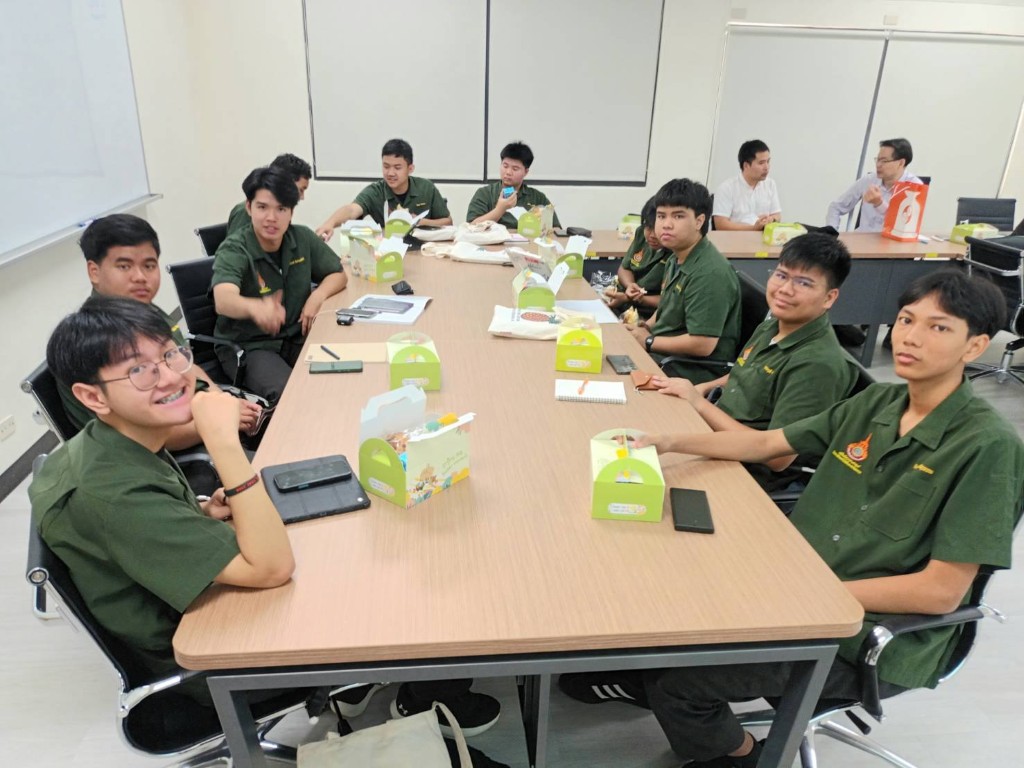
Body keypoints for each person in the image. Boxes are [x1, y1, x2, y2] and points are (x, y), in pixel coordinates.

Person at [589, 270, 1022, 767]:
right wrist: (665, 441)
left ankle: (743, 756)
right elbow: (767, 443)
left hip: (862, 633)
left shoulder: (988, 447)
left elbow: (940, 592)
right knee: (665, 588)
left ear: (976, 346)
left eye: (938, 327)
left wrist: (805, 591)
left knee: (680, 684)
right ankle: (639, 679)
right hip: (797, 578)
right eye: (906, 320)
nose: (911, 337)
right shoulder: (878, 402)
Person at [30, 296, 295, 704]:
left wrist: (201, 511)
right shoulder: (117, 496)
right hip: (205, 663)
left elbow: (137, 530)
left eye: (171, 355)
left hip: (190, 599)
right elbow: (273, 568)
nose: (171, 377)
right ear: (94, 398)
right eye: (139, 370)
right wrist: (223, 443)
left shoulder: (118, 438)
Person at [650, 233, 857, 491]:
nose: (785, 289)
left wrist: (699, 404)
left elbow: (777, 458)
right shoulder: (774, 325)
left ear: (829, 297)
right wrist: (700, 389)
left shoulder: (818, 365)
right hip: (715, 432)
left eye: (804, 283)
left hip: (747, 471)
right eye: (781, 275)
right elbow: (743, 371)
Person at [61, 213, 262, 444]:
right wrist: (222, 419)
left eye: (149, 265)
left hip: (197, 416)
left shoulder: (144, 310)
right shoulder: (91, 342)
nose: (140, 277)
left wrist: (222, 400)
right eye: (124, 266)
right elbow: (150, 437)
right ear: (94, 272)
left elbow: (185, 364)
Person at [213, 166, 348, 403]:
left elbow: (338, 274)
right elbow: (223, 299)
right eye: (262, 207)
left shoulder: (302, 237)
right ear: (249, 208)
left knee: (343, 372)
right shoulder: (235, 248)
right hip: (251, 346)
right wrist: (256, 308)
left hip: (296, 337)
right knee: (292, 396)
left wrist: (317, 297)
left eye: (281, 209)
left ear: (291, 212)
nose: (271, 218)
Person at [625, 178, 741, 384]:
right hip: (664, 354)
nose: (666, 224)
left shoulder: (710, 273)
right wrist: (645, 327)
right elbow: (665, 309)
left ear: (699, 221)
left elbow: (702, 344)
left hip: (689, 369)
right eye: (661, 216)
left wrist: (649, 341)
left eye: (678, 216)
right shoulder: (676, 258)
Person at [316, 139, 452, 239]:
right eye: (386, 166)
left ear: (410, 168)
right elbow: (352, 210)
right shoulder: (376, 191)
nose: (390, 173)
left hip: (424, 250)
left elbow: (448, 222)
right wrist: (330, 223)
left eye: (397, 168)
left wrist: (419, 222)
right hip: (389, 252)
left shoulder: (426, 188)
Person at [826, 138, 921, 232]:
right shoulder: (869, 180)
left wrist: (879, 204)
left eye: (884, 161)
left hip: (889, 241)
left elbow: (904, 225)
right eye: (877, 160)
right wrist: (831, 234)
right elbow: (836, 207)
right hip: (861, 238)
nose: (878, 165)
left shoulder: (914, 186)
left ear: (901, 163)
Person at [466, 141, 561, 230]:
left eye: (515, 169)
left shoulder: (538, 198)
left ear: (526, 172)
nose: (508, 172)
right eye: (505, 166)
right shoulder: (484, 193)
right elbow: (471, 227)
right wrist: (500, 209)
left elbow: (556, 229)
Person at [603, 197, 670, 319]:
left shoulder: (675, 252)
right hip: (623, 300)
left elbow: (671, 301)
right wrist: (630, 285)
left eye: (657, 229)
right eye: (648, 227)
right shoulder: (641, 234)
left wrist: (631, 297)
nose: (652, 235)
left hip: (648, 313)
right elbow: (625, 268)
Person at [228, 152, 312, 234]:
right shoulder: (243, 212)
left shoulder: (285, 210)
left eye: (280, 209)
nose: (302, 197)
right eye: (300, 190)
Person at [712, 139, 782, 231]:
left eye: (768, 161)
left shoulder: (770, 184)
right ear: (746, 165)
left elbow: (777, 215)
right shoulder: (726, 188)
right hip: (734, 238)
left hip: (763, 238)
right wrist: (753, 228)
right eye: (761, 163)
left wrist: (771, 220)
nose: (766, 167)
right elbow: (720, 224)